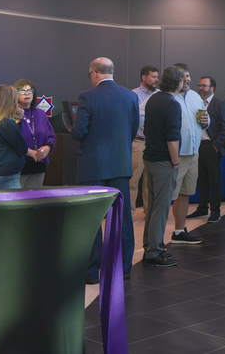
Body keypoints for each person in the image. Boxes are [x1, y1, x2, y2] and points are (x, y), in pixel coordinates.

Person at [71, 57, 140, 283]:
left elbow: (79, 132)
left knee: (90, 219)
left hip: (93, 167)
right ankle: (124, 268)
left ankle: (91, 272)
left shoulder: (87, 97)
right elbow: (132, 129)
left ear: (94, 73)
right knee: (122, 219)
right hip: (120, 165)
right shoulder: (130, 96)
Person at [141, 65, 184, 268]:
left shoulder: (154, 99)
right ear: (180, 82)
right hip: (163, 161)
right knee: (161, 206)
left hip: (149, 157)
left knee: (152, 205)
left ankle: (150, 245)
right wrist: (175, 162)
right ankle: (154, 252)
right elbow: (172, 139)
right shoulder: (173, 104)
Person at [169, 63, 204, 245]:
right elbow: (142, 115)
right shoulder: (167, 98)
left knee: (185, 194)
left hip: (193, 153)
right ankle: (155, 240)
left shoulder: (196, 97)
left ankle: (179, 231)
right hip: (175, 155)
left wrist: (206, 121)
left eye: (188, 76)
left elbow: (203, 121)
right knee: (169, 196)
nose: (187, 80)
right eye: (183, 77)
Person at [0, 84, 37, 191]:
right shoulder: (7, 124)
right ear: (11, 103)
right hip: (7, 178)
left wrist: (17, 120)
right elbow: (22, 148)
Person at [188, 76, 225, 223]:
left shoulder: (220, 104)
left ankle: (215, 210)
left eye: (204, 86)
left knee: (215, 179)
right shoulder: (196, 103)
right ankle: (202, 208)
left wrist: (216, 145)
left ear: (212, 88)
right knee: (201, 179)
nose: (200, 88)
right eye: (199, 85)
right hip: (197, 146)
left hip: (211, 146)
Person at [12, 79, 55, 188]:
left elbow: (51, 136)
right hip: (19, 166)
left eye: (29, 90)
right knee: (19, 202)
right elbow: (12, 139)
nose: (27, 93)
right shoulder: (11, 114)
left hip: (38, 165)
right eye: (22, 91)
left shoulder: (40, 114)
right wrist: (27, 151)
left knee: (34, 200)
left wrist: (47, 147)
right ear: (15, 95)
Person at [131, 65, 159, 214]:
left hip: (154, 144)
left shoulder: (160, 95)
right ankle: (128, 214)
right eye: (153, 77)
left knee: (151, 182)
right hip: (138, 142)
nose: (156, 80)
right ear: (144, 77)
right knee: (133, 180)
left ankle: (150, 214)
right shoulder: (132, 95)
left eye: (157, 77)